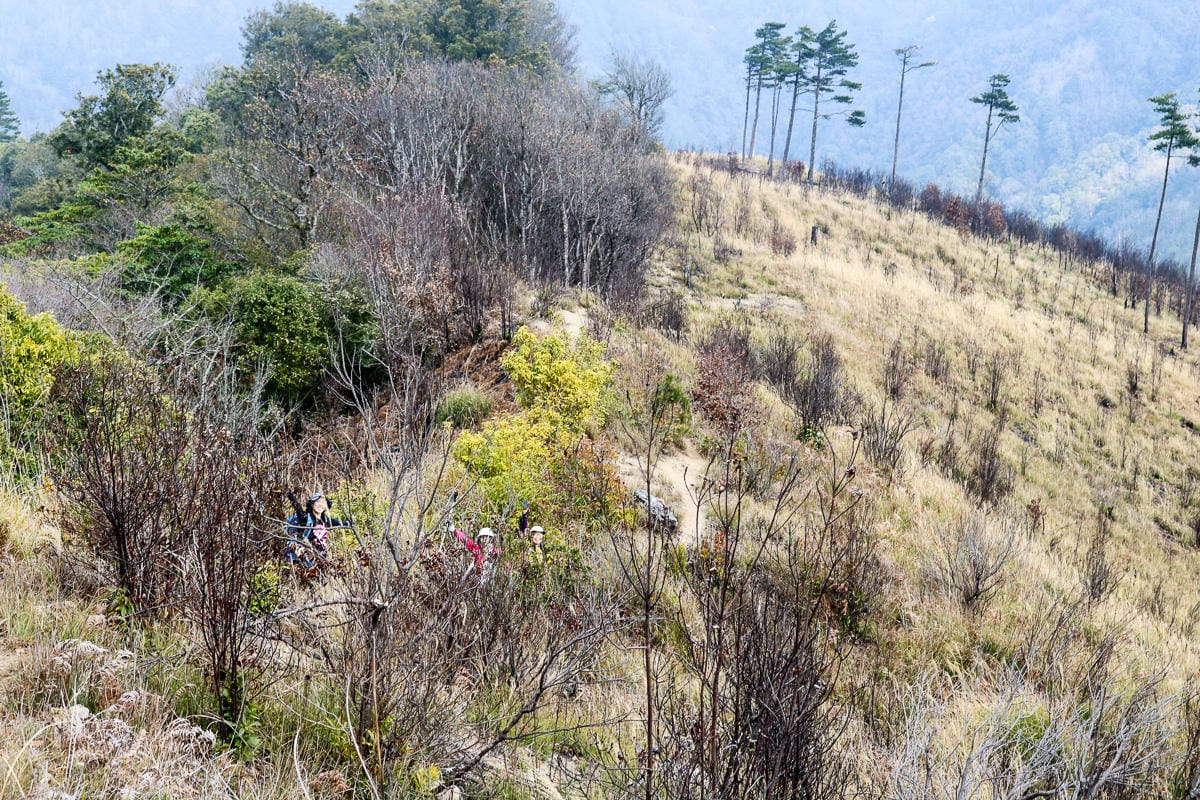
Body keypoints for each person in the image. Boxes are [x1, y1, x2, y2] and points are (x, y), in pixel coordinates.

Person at [286, 492, 341, 569]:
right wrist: (292, 498)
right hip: (303, 559)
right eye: (318, 502)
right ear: (312, 504)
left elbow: (338, 523)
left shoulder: (324, 520)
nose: (320, 505)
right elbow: (299, 510)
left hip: (319, 560)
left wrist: (348, 523)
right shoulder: (306, 518)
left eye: (323, 502)